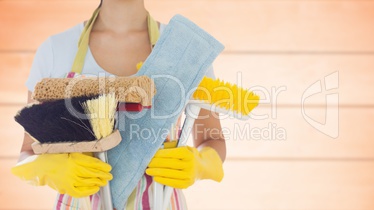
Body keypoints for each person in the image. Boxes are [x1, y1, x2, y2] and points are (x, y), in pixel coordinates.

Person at [11, 0, 226, 209]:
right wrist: (49, 169)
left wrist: (199, 164)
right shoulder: (55, 50)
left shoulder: (185, 51)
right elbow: (27, 152)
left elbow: (212, 139)